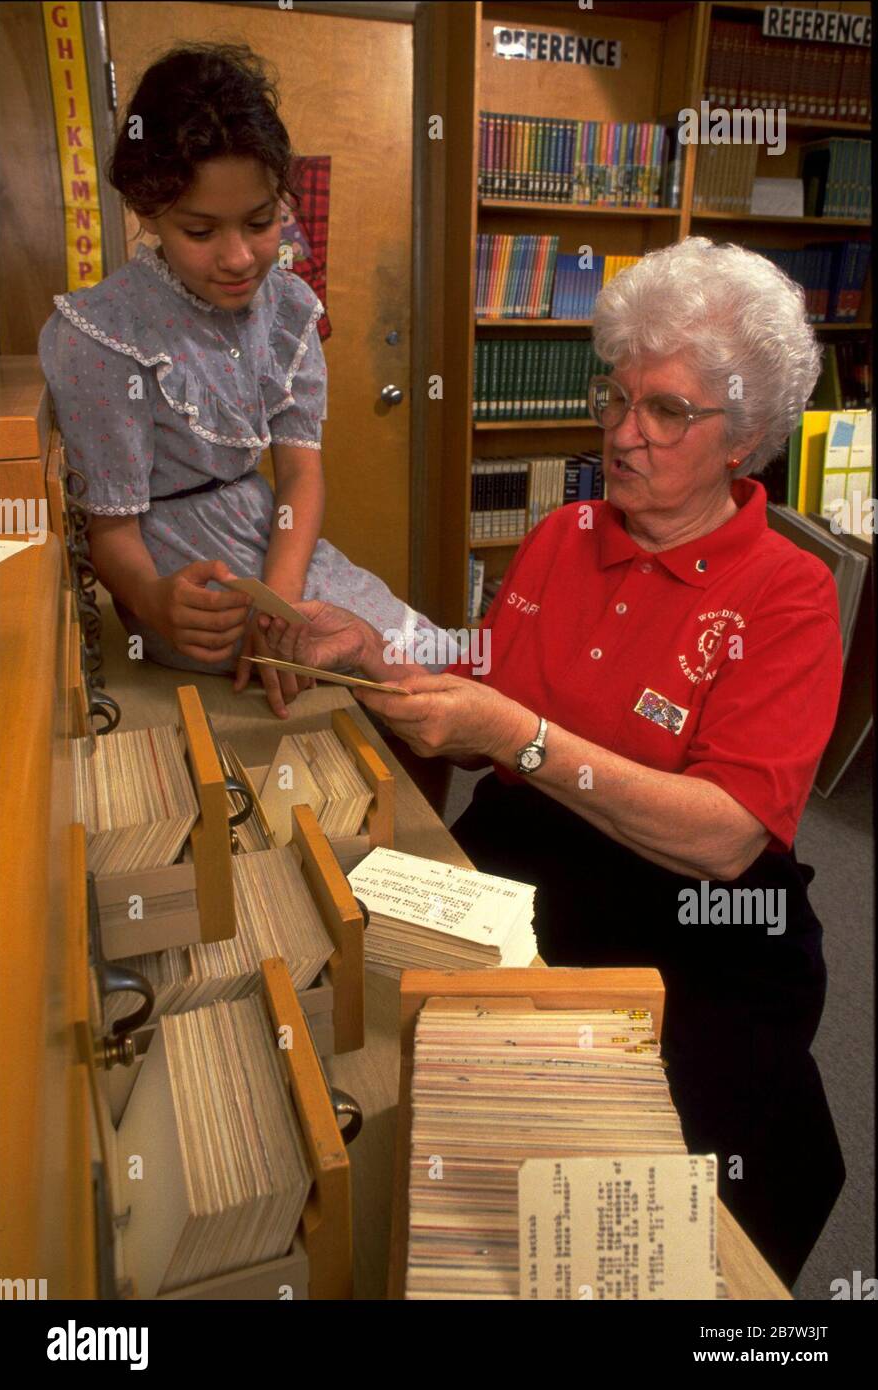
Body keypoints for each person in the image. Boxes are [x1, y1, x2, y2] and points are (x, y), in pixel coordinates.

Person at [270, 238, 847, 1287]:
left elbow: (722, 835)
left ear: (744, 437)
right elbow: (489, 681)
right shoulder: (562, 532)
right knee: (359, 1038)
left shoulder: (786, 592)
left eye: (664, 412)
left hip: (692, 914)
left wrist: (515, 739)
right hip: (529, 850)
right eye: (614, 396)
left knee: (634, 1203)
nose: (621, 435)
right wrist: (376, 657)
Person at [38, 42, 438, 720]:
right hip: (182, 582)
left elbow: (301, 475)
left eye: (259, 222)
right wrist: (153, 600)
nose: (237, 257)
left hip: (274, 545)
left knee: (422, 665)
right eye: (199, 230)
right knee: (355, 698)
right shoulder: (101, 335)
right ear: (146, 209)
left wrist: (278, 604)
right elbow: (111, 529)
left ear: (282, 197)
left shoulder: (286, 310)